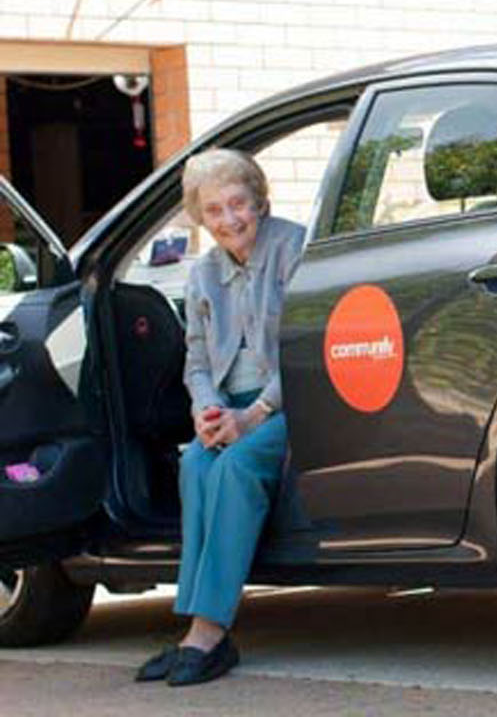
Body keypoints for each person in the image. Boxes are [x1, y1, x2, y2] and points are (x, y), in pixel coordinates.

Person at [135, 149, 305, 685]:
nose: (229, 219)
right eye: (214, 211)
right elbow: (197, 359)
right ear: (200, 217)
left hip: (291, 398)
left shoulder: (292, 247)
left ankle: (207, 635)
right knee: (195, 465)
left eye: (239, 204)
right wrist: (206, 411)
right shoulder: (203, 272)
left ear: (259, 200)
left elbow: (304, 349)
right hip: (230, 405)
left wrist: (253, 415)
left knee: (235, 468)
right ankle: (194, 629)